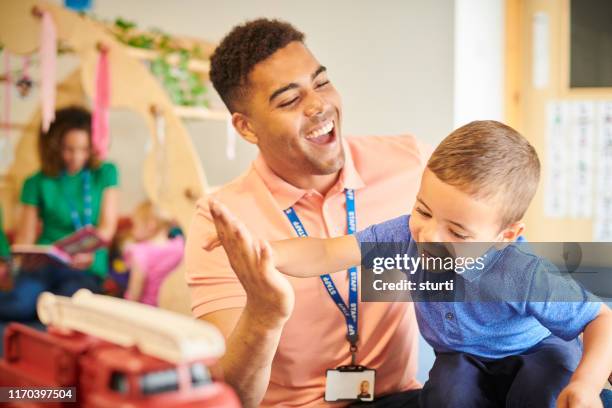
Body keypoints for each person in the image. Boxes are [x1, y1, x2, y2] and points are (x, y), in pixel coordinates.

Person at [205, 120, 612, 408]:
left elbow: (601, 319)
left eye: (458, 232)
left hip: (535, 349)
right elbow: (327, 253)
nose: (431, 235)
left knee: (544, 393)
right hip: (463, 354)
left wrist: (587, 385)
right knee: (448, 397)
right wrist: (261, 250)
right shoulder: (404, 236)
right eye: (423, 210)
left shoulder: (521, 272)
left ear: (505, 236)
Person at [185, 18, 430, 407]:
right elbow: (232, 397)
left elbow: (500, 268)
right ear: (246, 128)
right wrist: (265, 315)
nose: (318, 105)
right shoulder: (222, 220)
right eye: (289, 100)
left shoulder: (409, 163)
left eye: (321, 82)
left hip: (400, 398)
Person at [0, 106, 119, 321]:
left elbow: (107, 227)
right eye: (68, 149)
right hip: (45, 265)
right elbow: (24, 238)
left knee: (64, 310)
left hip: (88, 266)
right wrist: (23, 259)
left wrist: (88, 253)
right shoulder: (36, 182)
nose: (77, 157)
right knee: (19, 305)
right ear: (53, 147)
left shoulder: (106, 173)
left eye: (84, 149)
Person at [123, 201, 184, 306]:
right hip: (173, 309)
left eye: (135, 225)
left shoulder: (140, 252)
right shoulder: (179, 247)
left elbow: (135, 293)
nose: (132, 231)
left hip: (147, 311)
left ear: (151, 225)